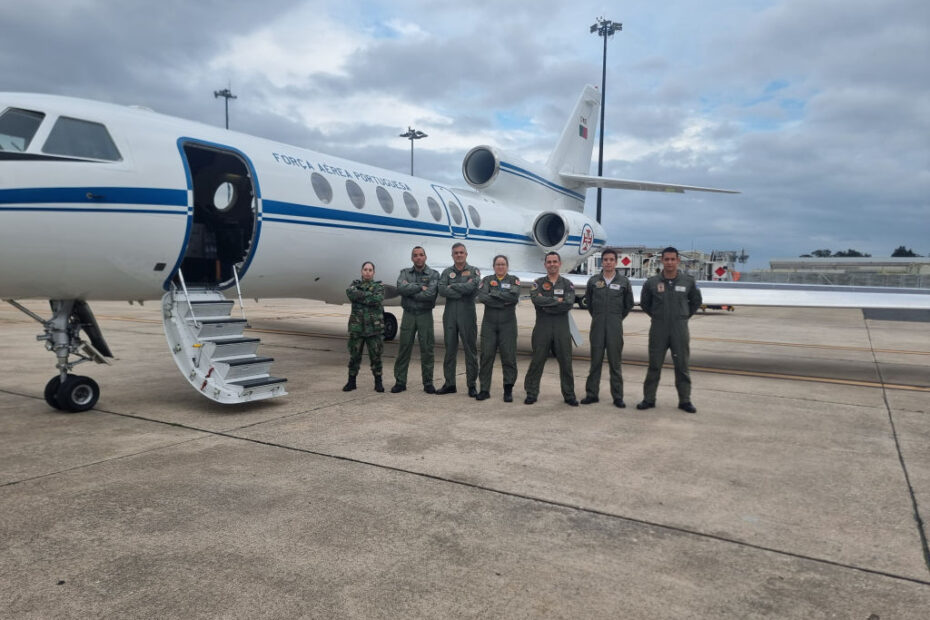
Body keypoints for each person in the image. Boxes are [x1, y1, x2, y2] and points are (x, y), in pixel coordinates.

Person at [636, 246, 702, 414]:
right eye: (667, 259)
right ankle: (649, 399)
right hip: (658, 328)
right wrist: (658, 316)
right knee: (654, 365)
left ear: (678, 261)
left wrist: (683, 316)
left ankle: (685, 400)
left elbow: (695, 302)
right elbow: (645, 303)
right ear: (662, 261)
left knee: (682, 366)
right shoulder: (652, 282)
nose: (670, 262)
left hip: (679, 329)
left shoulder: (688, 281)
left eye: (673, 259)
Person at [523, 252, 578, 406]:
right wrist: (556, 301)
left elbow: (568, 304)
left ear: (559, 264)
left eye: (555, 261)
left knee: (566, 362)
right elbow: (536, 299)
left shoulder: (567, 284)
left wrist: (547, 304)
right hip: (543, 326)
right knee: (537, 360)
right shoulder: (538, 283)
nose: (552, 264)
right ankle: (531, 393)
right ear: (545, 264)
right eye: (549, 262)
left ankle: (569, 394)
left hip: (561, 327)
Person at [581, 248, 634, 408]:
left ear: (615, 262)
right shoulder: (593, 281)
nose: (608, 262)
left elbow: (628, 304)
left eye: (611, 260)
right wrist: (599, 316)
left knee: (615, 363)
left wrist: (616, 318)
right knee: (595, 362)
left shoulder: (623, 282)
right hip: (597, 327)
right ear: (602, 262)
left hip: (615, 327)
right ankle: (592, 394)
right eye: (605, 260)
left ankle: (617, 396)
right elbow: (589, 303)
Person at [391, 246, 439, 394]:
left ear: (425, 257)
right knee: (404, 348)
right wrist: (420, 287)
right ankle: (400, 382)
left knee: (427, 349)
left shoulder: (433, 274)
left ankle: (428, 383)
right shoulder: (404, 273)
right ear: (412, 258)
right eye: (415, 255)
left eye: (421, 255)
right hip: (409, 314)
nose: (418, 257)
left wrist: (411, 291)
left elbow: (431, 294)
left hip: (425, 315)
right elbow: (401, 288)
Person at [437, 243, 480, 396]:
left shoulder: (474, 271)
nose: (459, 255)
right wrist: (462, 288)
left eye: (461, 252)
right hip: (449, 315)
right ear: (452, 255)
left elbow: (472, 289)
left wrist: (452, 287)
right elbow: (442, 290)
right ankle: (450, 384)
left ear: (466, 254)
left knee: (470, 350)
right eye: (456, 253)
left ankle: (471, 385)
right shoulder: (447, 272)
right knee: (449, 350)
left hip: (467, 314)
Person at [476, 254, 521, 402]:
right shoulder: (487, 280)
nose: (500, 267)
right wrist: (503, 301)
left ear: (507, 266)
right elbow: (482, 297)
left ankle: (508, 390)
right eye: (498, 264)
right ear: (493, 266)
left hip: (508, 324)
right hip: (489, 324)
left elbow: (514, 298)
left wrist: (494, 296)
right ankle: (484, 389)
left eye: (503, 264)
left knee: (509, 356)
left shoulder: (513, 280)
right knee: (486, 356)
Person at [343, 261, 385, 392]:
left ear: (373, 272)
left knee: (376, 357)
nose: (367, 272)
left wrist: (360, 296)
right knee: (354, 357)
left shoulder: (379, 287)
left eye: (370, 270)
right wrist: (368, 296)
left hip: (374, 329)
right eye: (365, 269)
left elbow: (377, 299)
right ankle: (351, 382)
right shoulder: (353, 285)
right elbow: (350, 293)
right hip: (358, 328)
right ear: (362, 271)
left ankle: (378, 383)